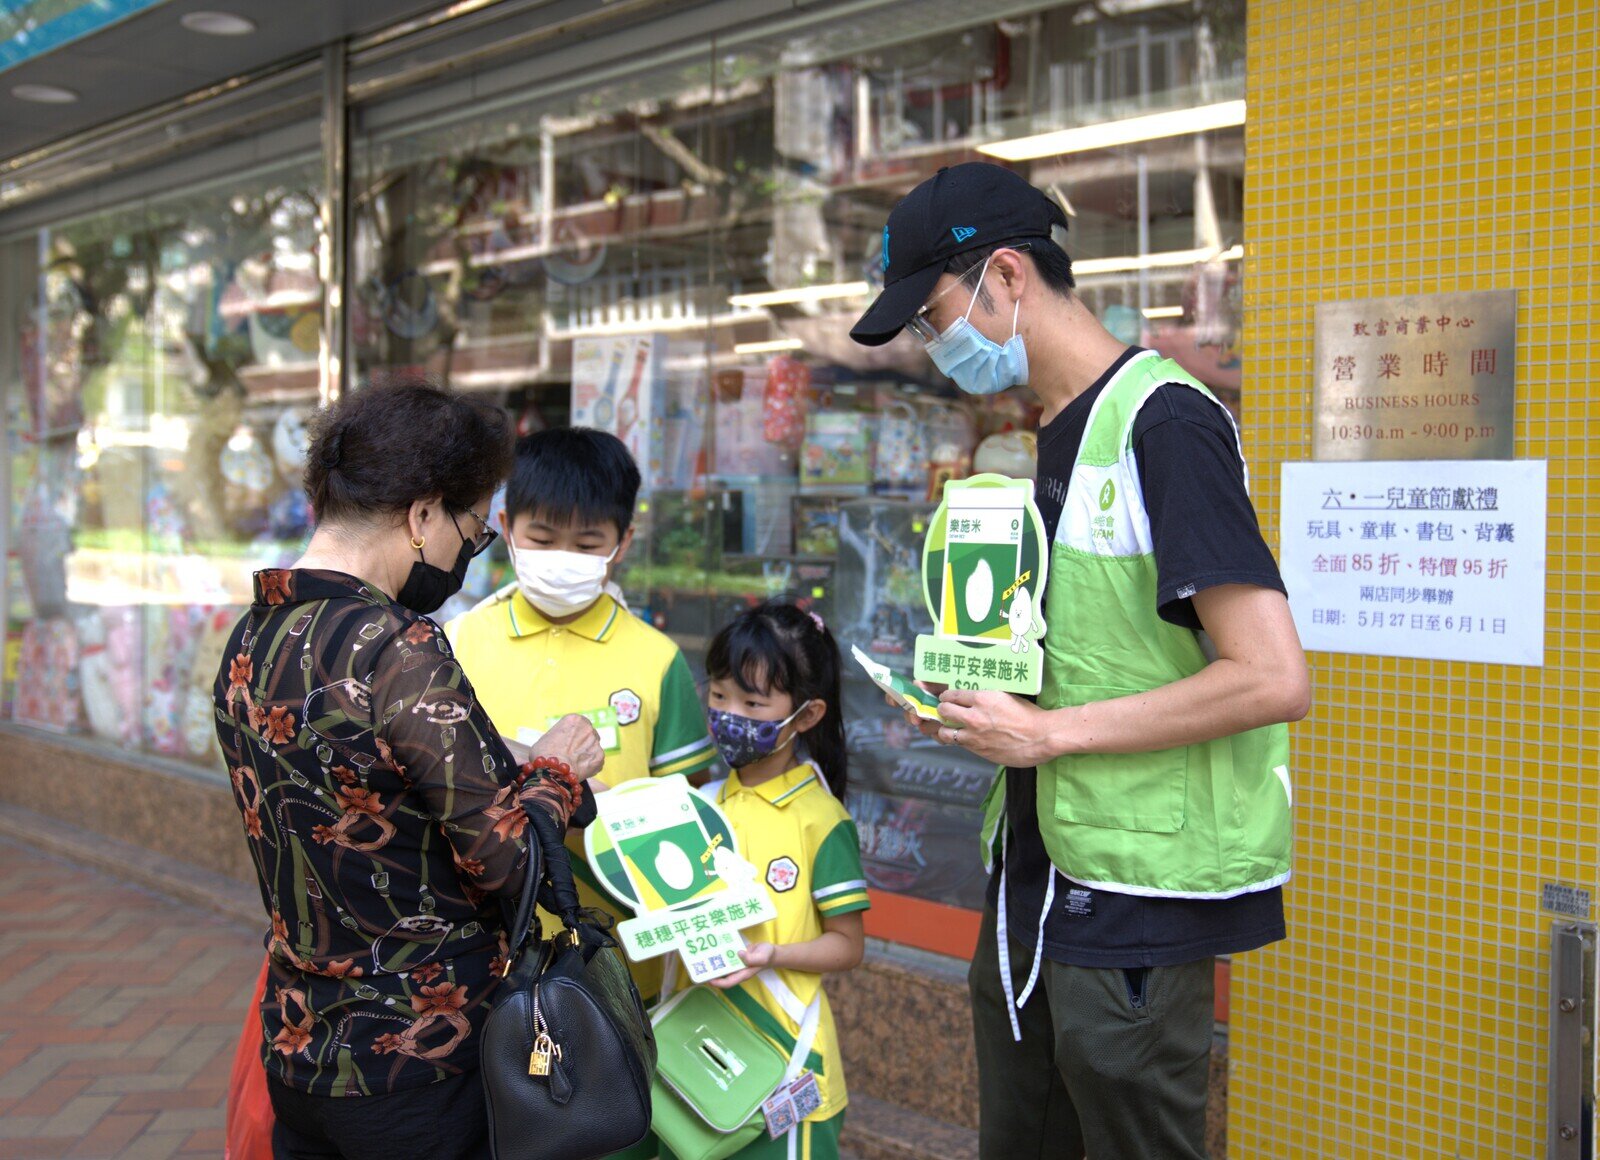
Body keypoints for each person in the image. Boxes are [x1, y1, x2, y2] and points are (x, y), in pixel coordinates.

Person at [850, 162, 1312, 1160]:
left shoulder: (1164, 422)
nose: (935, 348)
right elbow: (1095, 651)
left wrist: (1047, 731)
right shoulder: (1039, 439)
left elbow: (1272, 675)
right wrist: (987, 696)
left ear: (1007, 276)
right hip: (1032, 873)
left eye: (934, 315)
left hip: (1133, 895)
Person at [214, 380, 604, 1160]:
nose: (468, 551)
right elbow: (509, 865)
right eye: (472, 529)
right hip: (417, 1068)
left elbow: (345, 783)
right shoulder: (397, 648)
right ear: (422, 516)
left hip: (299, 1053)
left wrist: (492, 762)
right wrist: (556, 771)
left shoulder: (252, 640)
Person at [445, 427, 717, 1007]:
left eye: (587, 543)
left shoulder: (657, 659)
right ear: (506, 526)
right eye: (541, 538)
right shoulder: (456, 642)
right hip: (480, 948)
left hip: (614, 953)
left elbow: (687, 803)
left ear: (624, 541)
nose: (563, 560)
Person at [659, 601, 870, 1160]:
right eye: (720, 695)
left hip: (785, 1069)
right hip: (695, 1062)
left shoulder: (822, 822)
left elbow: (848, 947)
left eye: (753, 703)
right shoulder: (700, 806)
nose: (729, 713)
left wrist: (767, 954)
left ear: (805, 715)